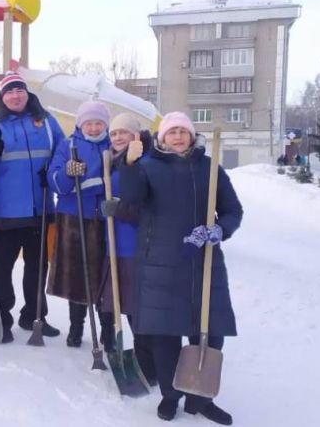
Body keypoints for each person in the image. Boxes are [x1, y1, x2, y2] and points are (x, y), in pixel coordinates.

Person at [120, 112, 243, 425]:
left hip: (204, 262)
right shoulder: (147, 167)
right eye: (171, 132)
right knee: (165, 336)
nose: (177, 137)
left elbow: (232, 210)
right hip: (160, 263)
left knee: (210, 333)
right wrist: (129, 166)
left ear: (190, 136)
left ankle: (201, 398)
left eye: (182, 131)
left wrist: (218, 230)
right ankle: (170, 395)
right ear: (162, 138)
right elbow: (131, 200)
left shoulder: (209, 169)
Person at [0, 72, 65, 343]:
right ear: (2, 96)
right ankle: (3, 319)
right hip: (7, 209)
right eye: (10, 91)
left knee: (38, 267)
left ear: (27, 93)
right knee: (2, 268)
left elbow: (62, 150)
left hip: (40, 207)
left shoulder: (47, 121)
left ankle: (35, 315)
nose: (16, 95)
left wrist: (52, 171)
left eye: (20, 90)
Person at [47, 101, 115, 350]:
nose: (94, 128)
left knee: (105, 278)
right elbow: (55, 182)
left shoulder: (114, 145)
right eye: (89, 123)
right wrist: (66, 173)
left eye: (99, 123)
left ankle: (107, 330)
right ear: (80, 124)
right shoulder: (69, 146)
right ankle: (76, 327)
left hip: (106, 219)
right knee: (77, 276)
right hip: (74, 218)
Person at [96, 113, 156, 383]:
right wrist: (105, 210)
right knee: (114, 301)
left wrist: (118, 209)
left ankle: (148, 362)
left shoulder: (146, 163)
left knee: (136, 309)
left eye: (124, 133)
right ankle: (115, 346)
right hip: (114, 244)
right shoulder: (113, 163)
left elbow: (148, 207)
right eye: (113, 133)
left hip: (135, 247)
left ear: (136, 136)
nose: (118, 137)